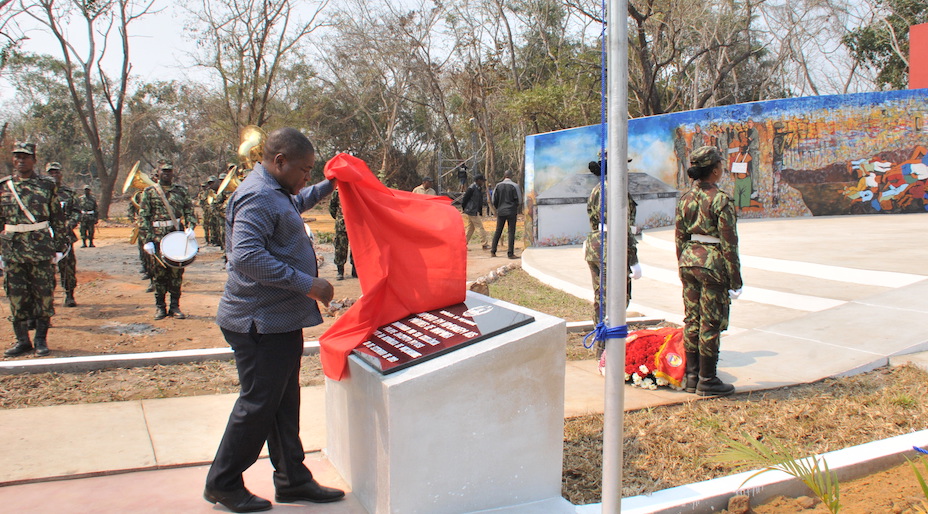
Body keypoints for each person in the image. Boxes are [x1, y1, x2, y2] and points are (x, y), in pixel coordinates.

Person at [205, 127, 344, 512]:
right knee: (259, 406)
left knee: (283, 403)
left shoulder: (276, 191)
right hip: (259, 322)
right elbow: (246, 257)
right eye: (304, 170)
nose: (305, 178)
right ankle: (223, 482)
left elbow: (292, 207)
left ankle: (292, 480)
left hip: (277, 321)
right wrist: (308, 285)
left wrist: (327, 186)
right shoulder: (258, 195)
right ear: (279, 161)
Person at [674, 146, 742, 397]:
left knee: (692, 319)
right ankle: (707, 379)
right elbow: (729, 242)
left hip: (689, 259)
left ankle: (692, 377)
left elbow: (680, 236)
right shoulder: (720, 199)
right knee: (710, 322)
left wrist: (682, 263)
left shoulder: (685, 198)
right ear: (715, 170)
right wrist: (735, 280)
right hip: (712, 263)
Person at [2, 142, 69, 358]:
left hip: (41, 250)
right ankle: (23, 341)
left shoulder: (47, 186)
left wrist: (60, 247)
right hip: (13, 251)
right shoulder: (4, 187)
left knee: (43, 295)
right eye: (17, 156)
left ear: (34, 160)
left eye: (26, 156)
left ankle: (41, 340)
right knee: (17, 296)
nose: (21, 160)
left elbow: (57, 219)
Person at [584, 159, 640, 359]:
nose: (627, 168)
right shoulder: (615, 190)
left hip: (596, 245)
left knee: (601, 299)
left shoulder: (597, 189)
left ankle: (602, 347)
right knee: (615, 299)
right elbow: (622, 225)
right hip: (612, 247)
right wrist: (633, 258)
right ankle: (608, 351)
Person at [138, 159, 197, 320]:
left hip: (176, 236)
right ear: (158, 173)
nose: (167, 174)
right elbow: (143, 217)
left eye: (169, 171)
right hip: (157, 238)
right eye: (164, 171)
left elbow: (189, 211)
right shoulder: (150, 192)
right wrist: (147, 240)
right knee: (159, 275)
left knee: (176, 274)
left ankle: (175, 306)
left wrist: (191, 227)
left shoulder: (181, 191)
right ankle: (160, 307)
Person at [46, 162, 81, 307]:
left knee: (67, 266)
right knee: (46, 270)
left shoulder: (69, 193)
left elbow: (77, 212)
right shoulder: (42, 192)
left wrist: (69, 224)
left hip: (64, 235)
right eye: (51, 173)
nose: (54, 175)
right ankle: (47, 299)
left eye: (56, 172)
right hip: (45, 236)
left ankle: (69, 294)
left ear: (61, 174)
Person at [490, 170, 522, 259]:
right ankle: (510, 253)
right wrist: (515, 207)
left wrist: (498, 208)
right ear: (511, 176)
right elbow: (519, 200)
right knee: (511, 232)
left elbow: (493, 200)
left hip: (501, 211)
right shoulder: (515, 186)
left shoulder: (498, 186)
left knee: (498, 230)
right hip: (511, 211)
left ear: (504, 176)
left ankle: (493, 251)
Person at [328, 188, 355, 280]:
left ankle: (355, 269)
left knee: (356, 248)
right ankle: (340, 271)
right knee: (340, 248)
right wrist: (339, 218)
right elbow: (332, 207)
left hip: (355, 224)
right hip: (341, 225)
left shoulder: (357, 190)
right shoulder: (337, 191)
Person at [461, 174, 489, 249]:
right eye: (482, 180)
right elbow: (465, 199)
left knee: (470, 228)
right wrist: (464, 208)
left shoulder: (478, 188)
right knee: (480, 227)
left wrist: (479, 211)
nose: (483, 182)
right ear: (478, 181)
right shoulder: (471, 188)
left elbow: (479, 201)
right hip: (471, 210)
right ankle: (485, 243)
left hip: (473, 210)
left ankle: (463, 244)